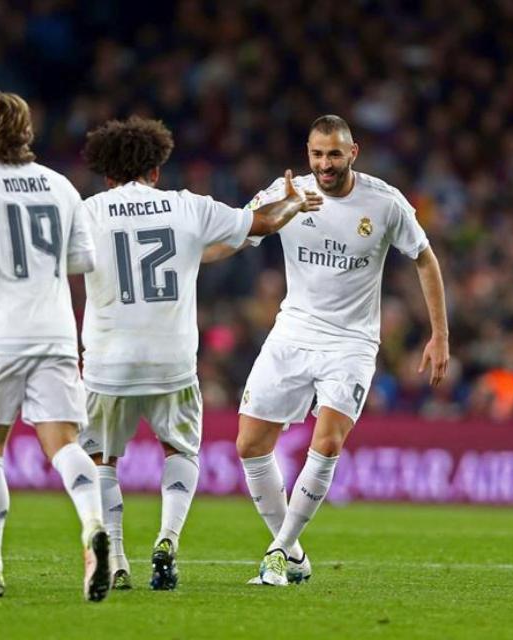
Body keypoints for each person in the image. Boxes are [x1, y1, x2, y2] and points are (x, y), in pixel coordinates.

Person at [79, 116, 322, 591]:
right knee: (180, 450)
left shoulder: (87, 212)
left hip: (108, 361)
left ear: (107, 176)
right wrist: (292, 201)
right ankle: (167, 538)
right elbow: (262, 222)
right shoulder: (186, 207)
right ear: (155, 171)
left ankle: (118, 558)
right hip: (171, 360)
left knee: (102, 460)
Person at [230, 115, 449, 585]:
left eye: (333, 154)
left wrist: (439, 335)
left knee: (326, 441)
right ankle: (293, 553)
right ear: (307, 154)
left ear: (354, 152)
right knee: (250, 445)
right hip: (292, 332)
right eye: (316, 154)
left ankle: (276, 553)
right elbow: (238, 233)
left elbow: (425, 259)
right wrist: (277, 211)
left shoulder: (386, 203)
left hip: (351, 342)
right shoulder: (288, 192)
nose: (324, 164)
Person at [0, 91, 110, 602]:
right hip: (56, 331)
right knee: (64, 444)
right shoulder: (60, 185)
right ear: (25, 131)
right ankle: (93, 526)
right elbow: (84, 259)